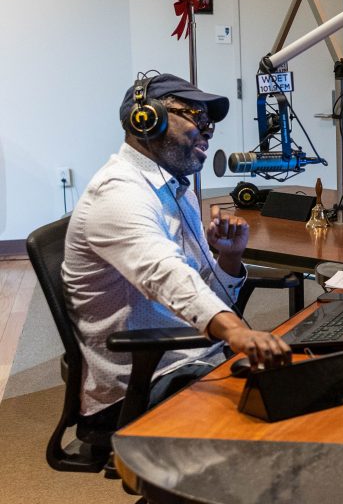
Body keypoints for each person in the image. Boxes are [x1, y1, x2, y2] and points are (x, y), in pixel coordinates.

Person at [63, 72, 292, 428]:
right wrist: (236, 332)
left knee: (313, 388)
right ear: (146, 119)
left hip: (195, 357)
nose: (208, 130)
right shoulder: (118, 195)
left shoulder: (174, 188)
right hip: (145, 384)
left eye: (210, 122)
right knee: (278, 422)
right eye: (196, 117)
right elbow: (166, 276)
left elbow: (199, 292)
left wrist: (228, 258)